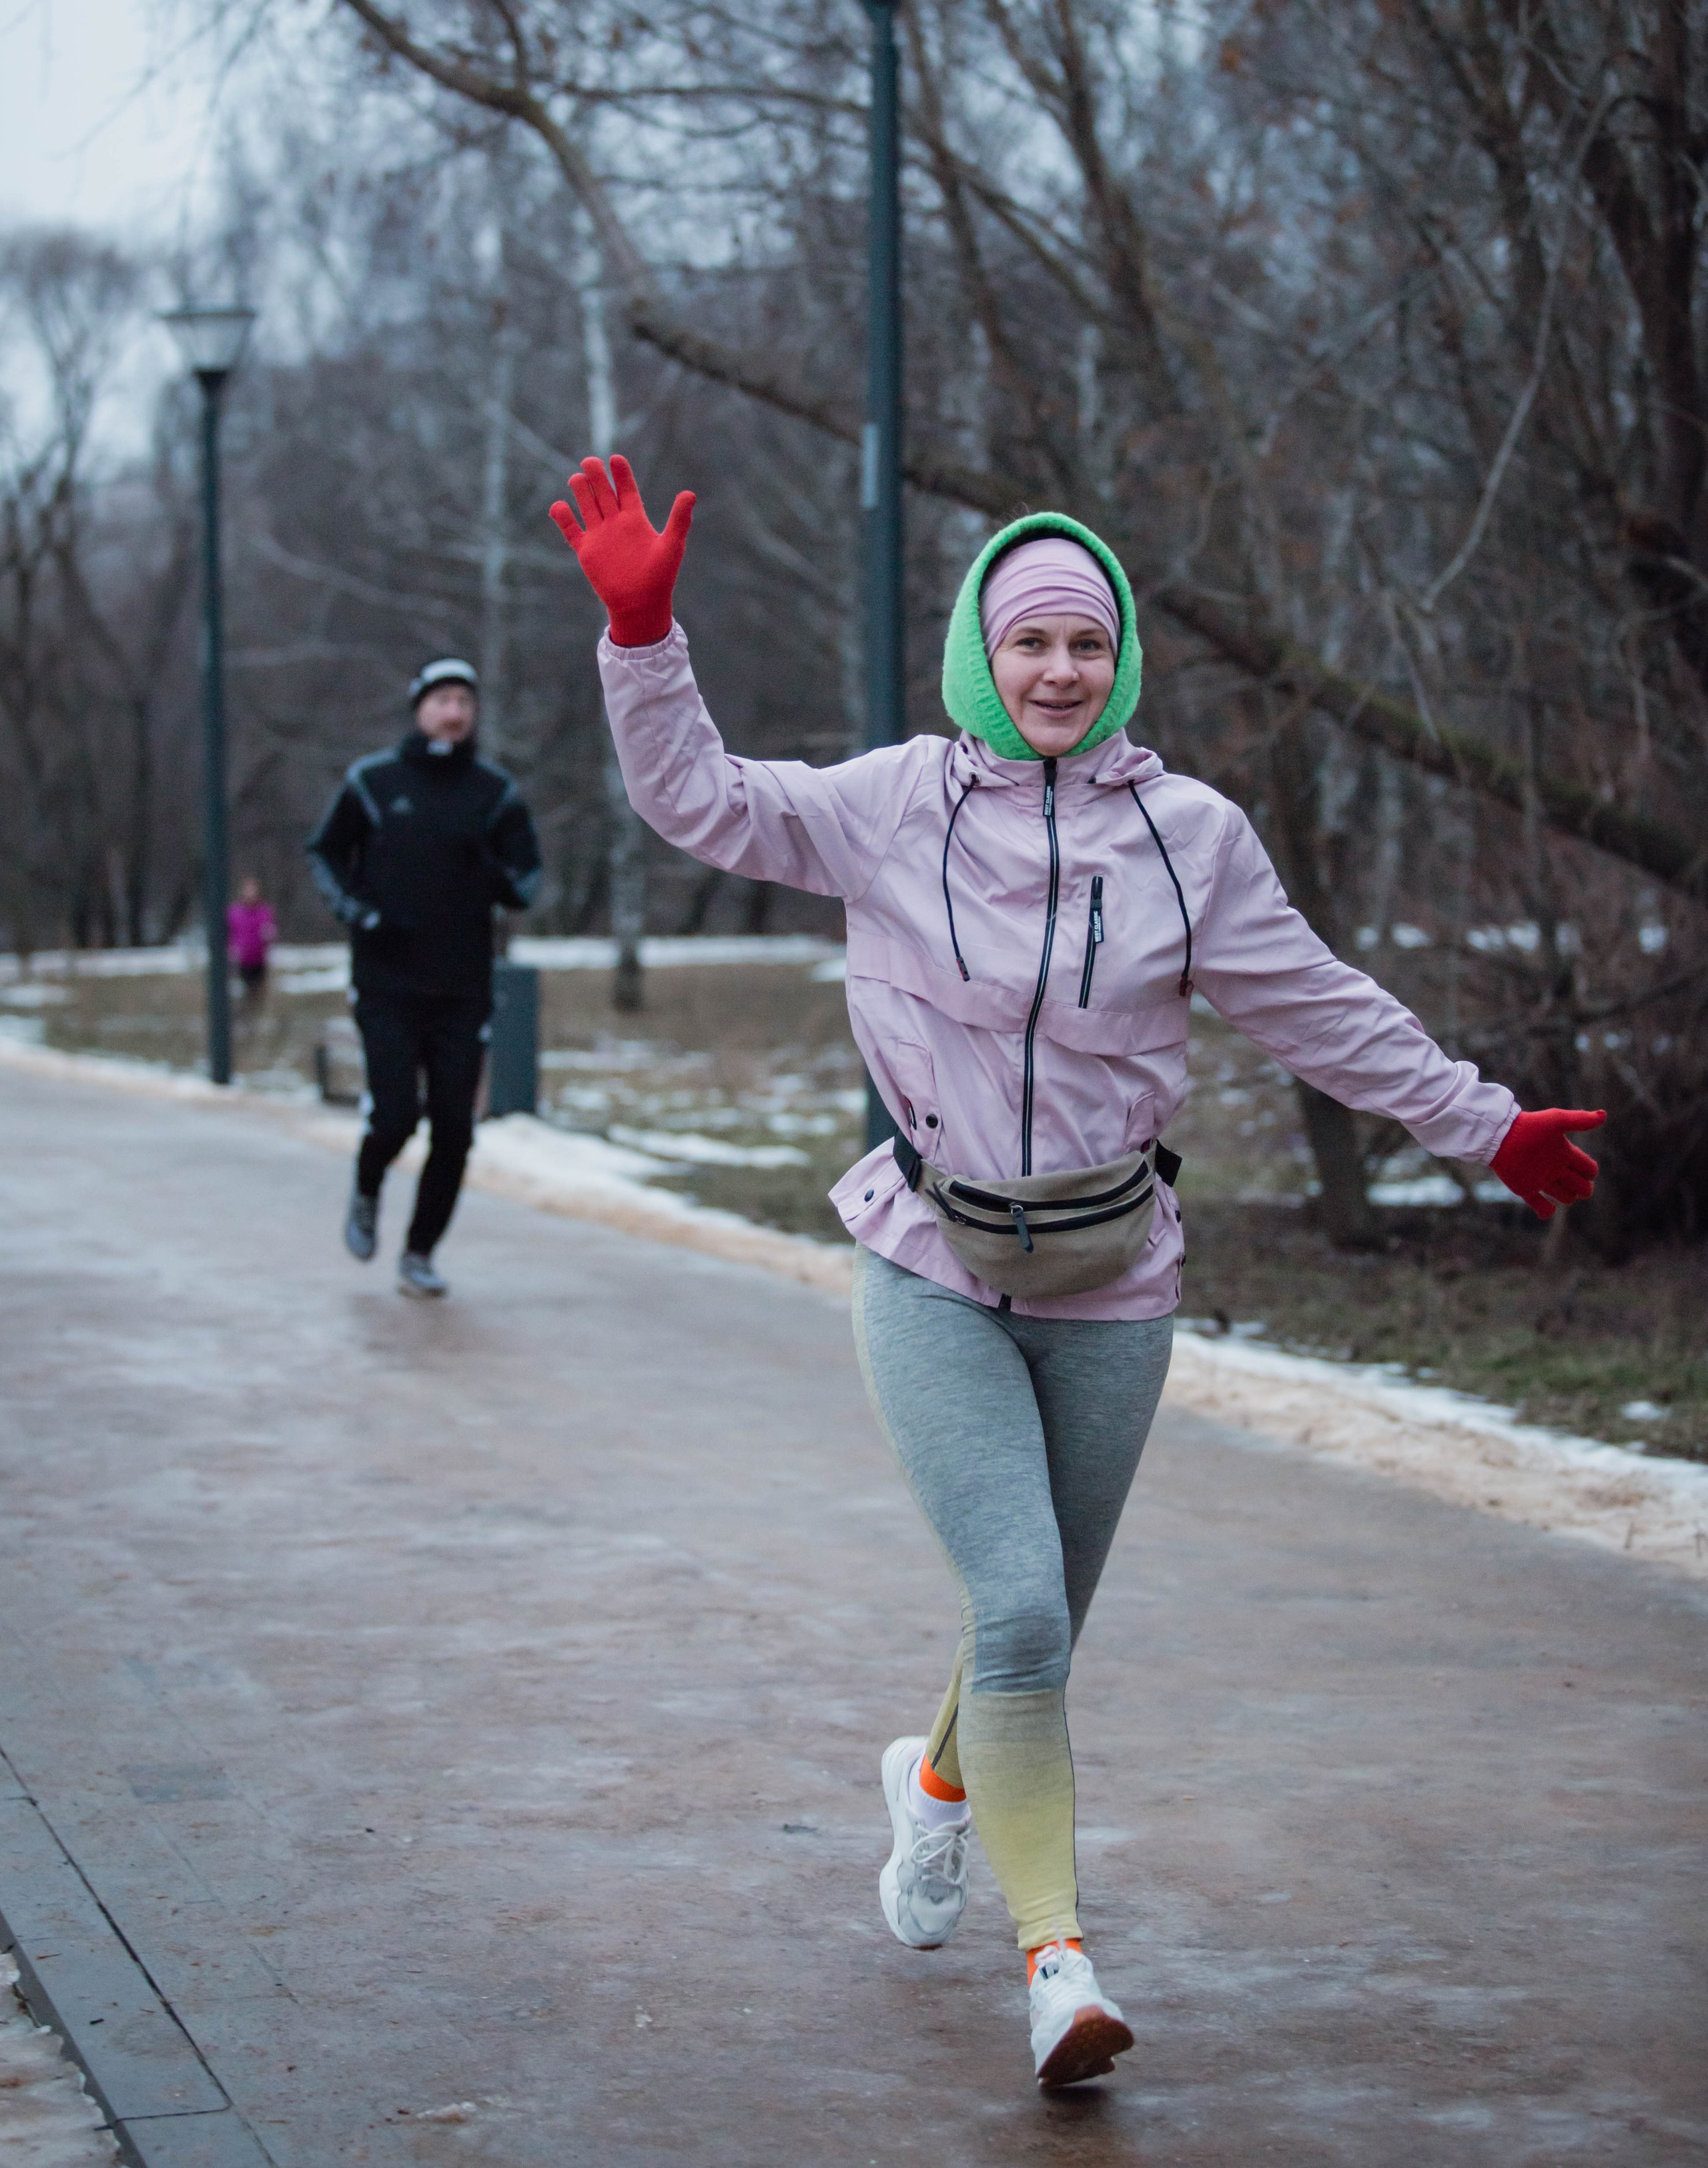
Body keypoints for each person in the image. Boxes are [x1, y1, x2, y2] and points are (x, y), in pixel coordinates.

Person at [551, 456, 1605, 2091]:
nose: (1058, 671)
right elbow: (705, 803)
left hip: (1114, 1275)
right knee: (1023, 1606)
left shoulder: (1190, 838)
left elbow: (1315, 1004)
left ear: (1119, 663)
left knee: (1032, 1621)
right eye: (1030, 641)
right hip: (933, 1261)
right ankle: (1058, 1966)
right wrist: (643, 642)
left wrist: (1479, 1123)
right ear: (981, 656)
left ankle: (936, 1787)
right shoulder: (893, 804)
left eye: (1086, 645)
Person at [306, 657, 542, 1299]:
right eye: (442, 699)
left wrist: (491, 872)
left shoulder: (494, 792)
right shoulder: (373, 781)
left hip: (462, 986)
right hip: (387, 980)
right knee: (395, 1116)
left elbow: (527, 881)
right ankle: (367, 1187)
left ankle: (419, 1253)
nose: (454, 711)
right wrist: (356, 910)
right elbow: (324, 851)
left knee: (455, 1128)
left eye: (465, 700)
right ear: (419, 708)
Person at [228, 876, 277, 1010]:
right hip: (240, 960)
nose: (250, 893)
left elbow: (270, 931)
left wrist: (269, 935)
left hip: (259, 960)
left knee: (257, 994)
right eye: (248, 890)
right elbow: (228, 932)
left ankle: (254, 1013)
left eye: (253, 890)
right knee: (241, 992)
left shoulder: (264, 912)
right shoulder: (235, 912)